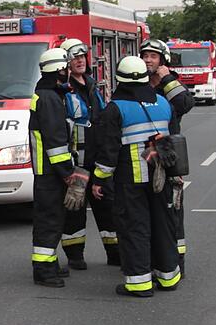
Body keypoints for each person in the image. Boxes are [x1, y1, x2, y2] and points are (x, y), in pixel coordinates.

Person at [90, 56, 180, 298]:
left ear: (119, 79)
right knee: (163, 224)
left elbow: (108, 152)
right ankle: (168, 276)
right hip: (162, 177)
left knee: (134, 228)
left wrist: (98, 180)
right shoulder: (163, 103)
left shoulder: (115, 109)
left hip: (131, 180)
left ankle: (139, 283)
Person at [141, 38, 194, 274]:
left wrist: (167, 79)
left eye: (153, 56)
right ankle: (154, 260)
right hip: (145, 155)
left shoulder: (170, 84)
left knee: (173, 212)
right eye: (145, 56)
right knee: (151, 211)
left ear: (163, 60)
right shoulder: (139, 84)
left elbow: (184, 104)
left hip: (170, 156)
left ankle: (176, 262)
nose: (148, 60)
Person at [29, 47, 80, 288]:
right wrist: (67, 174)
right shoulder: (49, 99)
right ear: (59, 70)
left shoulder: (49, 94)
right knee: (49, 221)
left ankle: (48, 264)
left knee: (54, 220)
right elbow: (55, 141)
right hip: (50, 173)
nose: (69, 72)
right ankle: (44, 271)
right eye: (66, 68)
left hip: (48, 172)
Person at [58, 37, 109, 270]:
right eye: (74, 58)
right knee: (75, 210)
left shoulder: (91, 84)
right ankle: (75, 256)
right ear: (65, 62)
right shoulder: (63, 89)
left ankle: (116, 252)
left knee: (107, 206)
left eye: (81, 57)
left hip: (98, 158)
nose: (79, 61)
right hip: (76, 161)